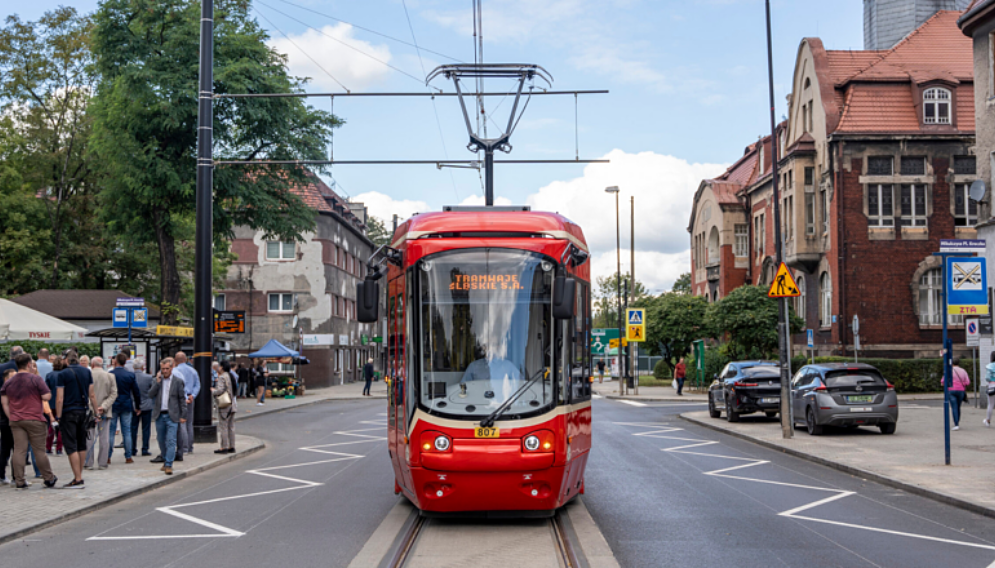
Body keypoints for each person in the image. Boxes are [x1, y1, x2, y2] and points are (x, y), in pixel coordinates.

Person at [0, 354, 58, 489]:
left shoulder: (9, 381)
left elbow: (4, 402)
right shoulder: (36, 379)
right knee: (39, 451)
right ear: (28, 365)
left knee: (19, 450)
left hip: (16, 420)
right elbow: (46, 395)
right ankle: (48, 478)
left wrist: (11, 416)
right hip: (35, 419)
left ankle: (19, 480)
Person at [55, 349, 98, 489]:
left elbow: (60, 398)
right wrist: (96, 412)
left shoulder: (63, 374)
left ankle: (77, 478)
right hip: (83, 411)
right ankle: (79, 476)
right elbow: (92, 395)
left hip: (68, 412)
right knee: (81, 444)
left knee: (71, 445)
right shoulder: (87, 372)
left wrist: (58, 416)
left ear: (66, 360)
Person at [149, 358, 186, 475]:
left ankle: (169, 464)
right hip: (160, 415)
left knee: (171, 441)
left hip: (172, 415)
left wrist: (183, 415)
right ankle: (165, 459)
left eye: (167, 369)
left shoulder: (178, 381)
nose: (165, 371)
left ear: (172, 368)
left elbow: (182, 399)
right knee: (160, 440)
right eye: (163, 369)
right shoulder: (156, 380)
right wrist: (158, 382)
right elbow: (150, 394)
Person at [84, 357, 116, 470]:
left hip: (90, 412)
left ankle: (88, 462)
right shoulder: (110, 376)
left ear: (92, 364)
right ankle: (102, 463)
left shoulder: (87, 375)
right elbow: (114, 394)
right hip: (105, 412)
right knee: (104, 438)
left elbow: (86, 394)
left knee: (89, 437)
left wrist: (93, 408)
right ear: (102, 364)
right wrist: (103, 406)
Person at [109, 353, 141, 464]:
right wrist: (138, 406)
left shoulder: (110, 374)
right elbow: (136, 392)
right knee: (127, 431)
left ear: (116, 361)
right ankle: (128, 456)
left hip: (113, 405)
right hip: (126, 404)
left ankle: (108, 456)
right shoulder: (130, 375)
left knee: (111, 431)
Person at [0, 346, 24, 484]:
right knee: (18, 447)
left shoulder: (1, 367)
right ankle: (17, 476)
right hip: (18, 413)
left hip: (3, 412)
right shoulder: (21, 370)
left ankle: (2, 475)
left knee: (4, 446)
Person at [171, 351, 198, 457]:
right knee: (189, 423)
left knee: (181, 423)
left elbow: (179, 387)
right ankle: (190, 447)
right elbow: (197, 385)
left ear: (175, 360)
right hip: (191, 398)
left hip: (181, 399)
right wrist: (193, 395)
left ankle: (184, 447)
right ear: (186, 359)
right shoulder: (193, 371)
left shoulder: (175, 371)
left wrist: (185, 397)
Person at [131, 357, 155, 456]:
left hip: (133, 406)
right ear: (142, 367)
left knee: (133, 428)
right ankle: (145, 449)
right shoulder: (149, 378)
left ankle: (132, 449)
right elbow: (152, 391)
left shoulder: (130, 376)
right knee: (146, 428)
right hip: (146, 405)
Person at [212, 360, 237, 454]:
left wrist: (213, 391)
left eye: (219, 366)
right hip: (232, 404)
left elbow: (220, 390)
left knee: (223, 426)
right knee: (231, 426)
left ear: (222, 367)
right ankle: (232, 446)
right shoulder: (231, 376)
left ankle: (224, 447)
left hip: (225, 405)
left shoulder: (222, 377)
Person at [45, 356, 65, 456]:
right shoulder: (64, 375)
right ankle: (59, 448)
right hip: (61, 403)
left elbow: (46, 390)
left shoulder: (49, 375)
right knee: (61, 426)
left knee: (50, 425)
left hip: (51, 403)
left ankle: (48, 447)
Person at [947, 358, 971, 431]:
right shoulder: (963, 371)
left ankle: (956, 424)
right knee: (958, 407)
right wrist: (961, 384)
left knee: (954, 407)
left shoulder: (949, 370)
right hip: (961, 391)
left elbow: (943, 380)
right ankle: (957, 423)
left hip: (951, 390)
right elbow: (968, 382)